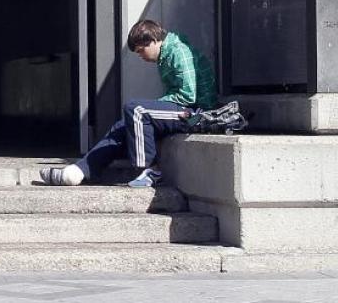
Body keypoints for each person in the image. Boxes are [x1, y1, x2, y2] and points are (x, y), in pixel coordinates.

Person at [41, 19, 218, 188]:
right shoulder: (166, 54)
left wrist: (156, 106)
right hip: (182, 109)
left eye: (141, 50)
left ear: (153, 41)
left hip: (196, 113)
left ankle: (149, 170)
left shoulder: (178, 51)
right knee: (124, 123)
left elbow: (188, 95)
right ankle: (82, 170)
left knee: (136, 110)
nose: (140, 56)